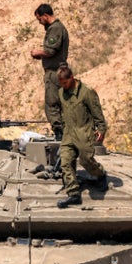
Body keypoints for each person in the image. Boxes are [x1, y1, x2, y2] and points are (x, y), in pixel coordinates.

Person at [55, 64, 108, 209]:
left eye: (65, 83)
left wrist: (101, 130)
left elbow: (97, 113)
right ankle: (73, 194)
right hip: (68, 134)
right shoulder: (61, 93)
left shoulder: (87, 92)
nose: (63, 86)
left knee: (86, 160)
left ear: (71, 78)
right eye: (60, 83)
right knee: (65, 162)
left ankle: (101, 174)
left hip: (84, 132)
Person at [30, 3, 69, 140]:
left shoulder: (55, 29)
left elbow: (51, 50)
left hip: (55, 72)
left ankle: (60, 133)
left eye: (40, 19)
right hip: (58, 71)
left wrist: (38, 52)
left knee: (52, 104)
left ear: (45, 16)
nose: (40, 23)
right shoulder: (54, 28)